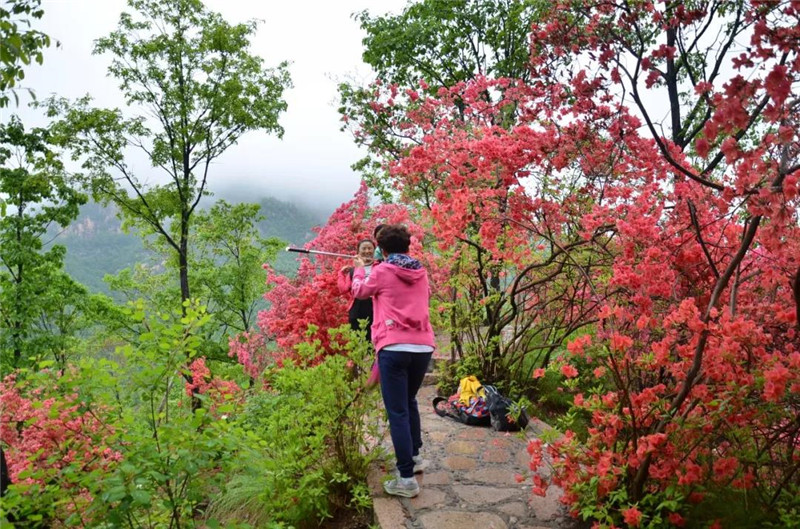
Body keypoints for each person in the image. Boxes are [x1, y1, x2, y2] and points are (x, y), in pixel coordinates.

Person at [351, 224, 435, 498]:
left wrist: (359, 270)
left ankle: (406, 479)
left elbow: (359, 292)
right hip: (422, 346)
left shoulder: (382, 270)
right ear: (407, 246)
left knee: (397, 411)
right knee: (409, 401)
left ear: (382, 249)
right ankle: (415, 456)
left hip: (394, 346)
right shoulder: (420, 271)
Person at [337, 238, 378, 341]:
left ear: (374, 251)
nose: (367, 251)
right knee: (358, 342)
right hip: (357, 310)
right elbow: (343, 289)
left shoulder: (380, 267)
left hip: (376, 309)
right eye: (364, 248)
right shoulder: (353, 270)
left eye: (370, 248)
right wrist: (341, 274)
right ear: (358, 252)